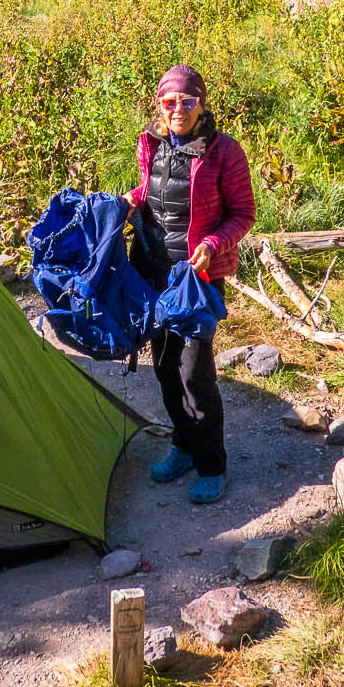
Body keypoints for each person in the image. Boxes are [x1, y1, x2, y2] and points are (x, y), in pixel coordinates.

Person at [124, 64, 255, 504]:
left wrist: (214, 244)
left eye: (187, 101)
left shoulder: (224, 152)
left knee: (195, 372)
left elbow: (243, 213)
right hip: (154, 272)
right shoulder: (151, 142)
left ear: (201, 104)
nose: (178, 109)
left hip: (198, 277)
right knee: (164, 368)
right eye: (170, 102)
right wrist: (127, 202)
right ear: (159, 105)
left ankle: (211, 465)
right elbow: (149, 192)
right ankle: (183, 446)